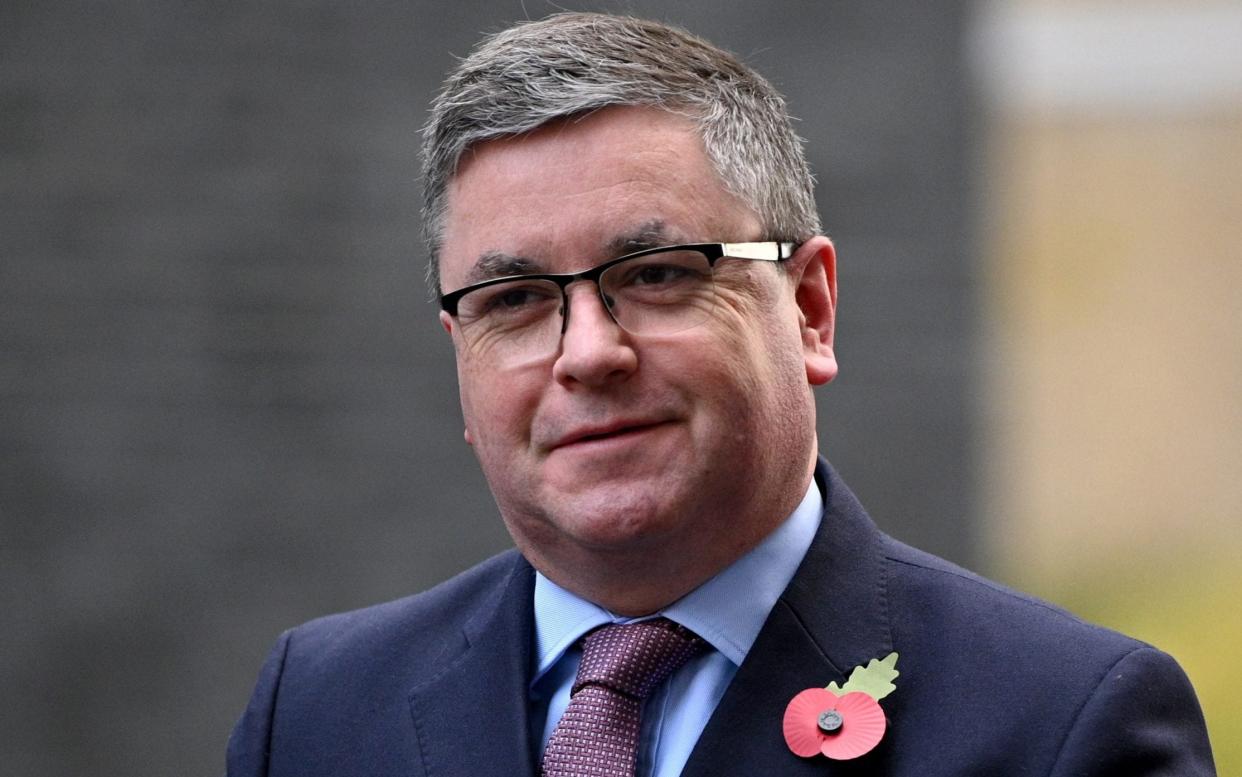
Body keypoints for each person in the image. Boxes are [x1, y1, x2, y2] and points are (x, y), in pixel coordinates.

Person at [227, 13, 1215, 776]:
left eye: (656, 274)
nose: (588, 353)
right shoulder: (316, 711)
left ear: (811, 309)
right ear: (460, 351)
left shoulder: (1064, 726)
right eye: (516, 299)